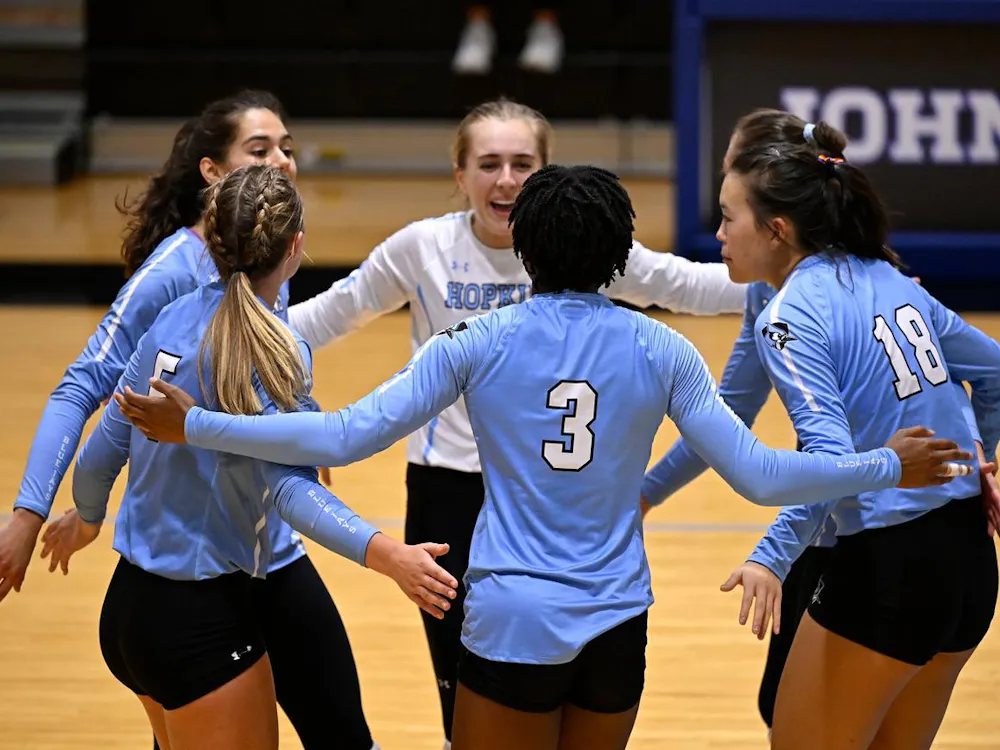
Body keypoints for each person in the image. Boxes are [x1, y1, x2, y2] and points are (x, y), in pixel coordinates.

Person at [116, 164, 969, 750]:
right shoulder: (657, 348)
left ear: (524, 247)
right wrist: (885, 465)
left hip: (511, 620)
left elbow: (340, 436)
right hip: (616, 622)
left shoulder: (477, 342)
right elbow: (759, 474)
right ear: (616, 253)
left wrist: (197, 428)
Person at [285, 95, 747, 749]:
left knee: (540, 678)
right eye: (489, 163)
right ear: (460, 174)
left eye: (522, 163)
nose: (504, 179)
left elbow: (692, 286)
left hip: (552, 490)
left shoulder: (583, 244)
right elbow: (329, 315)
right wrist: (232, 340)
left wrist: (792, 278)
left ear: (546, 173)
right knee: (464, 683)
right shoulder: (423, 248)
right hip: (450, 488)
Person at [4, 90, 380, 750]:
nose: (283, 162)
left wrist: (294, 421)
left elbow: (257, 372)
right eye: (260, 150)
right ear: (212, 174)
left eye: (287, 148)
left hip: (254, 551)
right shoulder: (175, 277)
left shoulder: (260, 259)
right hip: (197, 578)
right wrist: (32, 511)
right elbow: (84, 389)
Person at [39, 164, 457, 750]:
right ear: (296, 247)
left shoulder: (171, 318)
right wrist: (389, 556)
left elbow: (102, 448)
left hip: (130, 609)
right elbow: (291, 491)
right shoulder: (274, 350)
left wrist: (84, 517)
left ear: (211, 241)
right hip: (200, 622)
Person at [639, 107, 991, 734]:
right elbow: (992, 371)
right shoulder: (886, 275)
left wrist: (770, 556)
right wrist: (982, 463)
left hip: (887, 562)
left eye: (726, 215)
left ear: (776, 227)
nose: (715, 232)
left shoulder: (791, 312)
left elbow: (826, 468)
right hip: (967, 558)